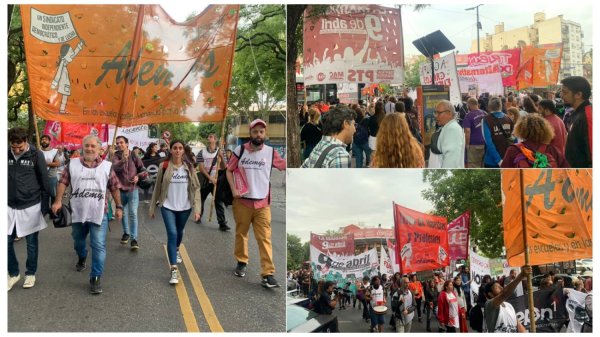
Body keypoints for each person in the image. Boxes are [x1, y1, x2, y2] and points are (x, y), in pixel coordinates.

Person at [52, 135, 123, 294]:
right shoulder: (72, 164)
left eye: (93, 146)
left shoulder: (107, 166)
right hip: (77, 213)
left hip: (99, 214)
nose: (89, 148)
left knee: (98, 245)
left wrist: (119, 206)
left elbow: (114, 187)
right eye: (87, 145)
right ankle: (82, 256)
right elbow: (63, 182)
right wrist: (57, 201)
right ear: (83, 147)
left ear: (99, 149)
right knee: (78, 242)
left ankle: (96, 277)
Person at [227, 119, 286, 288]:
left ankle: (268, 273)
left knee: (264, 238)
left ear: (265, 134)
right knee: (241, 233)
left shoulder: (271, 152)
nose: (258, 135)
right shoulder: (240, 150)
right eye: (255, 132)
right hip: (242, 202)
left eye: (261, 132)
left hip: (262, 203)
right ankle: (241, 261)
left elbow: (283, 166)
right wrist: (233, 190)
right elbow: (229, 171)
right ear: (250, 133)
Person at [149, 140, 201, 284]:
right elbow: (157, 188)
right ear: (170, 150)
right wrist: (152, 207)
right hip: (168, 206)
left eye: (180, 148)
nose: (178, 150)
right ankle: (173, 270)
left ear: (183, 150)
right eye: (175, 148)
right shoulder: (164, 166)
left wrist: (197, 209)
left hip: (185, 206)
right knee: (172, 234)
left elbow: (196, 188)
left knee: (179, 232)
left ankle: (177, 248)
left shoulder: (189, 167)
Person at [8, 128, 50, 290]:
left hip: (31, 204)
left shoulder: (35, 154)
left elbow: (44, 181)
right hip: (9, 205)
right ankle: (13, 273)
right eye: (13, 147)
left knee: (31, 243)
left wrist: (45, 207)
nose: (17, 150)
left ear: (26, 141)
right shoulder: (6, 154)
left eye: (20, 147)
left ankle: (30, 273)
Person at [112, 136, 146, 249]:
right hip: (120, 190)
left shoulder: (134, 155)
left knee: (133, 214)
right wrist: (123, 160)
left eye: (121, 142)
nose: (119, 144)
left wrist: (138, 176)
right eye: (117, 143)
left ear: (127, 144)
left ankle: (134, 239)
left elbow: (143, 170)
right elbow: (115, 168)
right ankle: (126, 233)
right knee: (123, 213)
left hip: (133, 190)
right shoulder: (115, 156)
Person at [501, 114, 570, 168]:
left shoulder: (513, 150)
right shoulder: (552, 150)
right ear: (545, 130)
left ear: (520, 130)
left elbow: (504, 173)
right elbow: (565, 170)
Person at [196, 133, 229, 231]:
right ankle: (198, 216)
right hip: (206, 180)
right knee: (201, 199)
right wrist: (210, 178)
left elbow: (224, 167)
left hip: (217, 181)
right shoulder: (201, 152)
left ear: (215, 139)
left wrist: (222, 157)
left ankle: (222, 223)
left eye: (210, 137)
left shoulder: (221, 151)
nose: (208, 138)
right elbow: (201, 168)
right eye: (208, 136)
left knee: (218, 201)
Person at [484, 266, 532, 332]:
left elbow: (519, 326)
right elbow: (504, 293)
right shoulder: (489, 305)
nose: (501, 288)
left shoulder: (509, 306)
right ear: (490, 294)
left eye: (501, 286)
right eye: (497, 287)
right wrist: (521, 276)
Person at [561, 76, 592, 168]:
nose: (561, 96)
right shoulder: (576, 113)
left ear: (578, 95)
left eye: (565, 92)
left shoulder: (588, 115)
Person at [428, 100, 465, 168]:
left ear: (449, 113)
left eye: (439, 113)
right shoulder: (448, 127)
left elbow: (451, 162)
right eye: (435, 113)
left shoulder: (452, 129)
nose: (436, 116)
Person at [482, 96, 514, 168]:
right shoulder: (508, 119)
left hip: (491, 160)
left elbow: (489, 142)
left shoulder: (486, 120)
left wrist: (498, 160)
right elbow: (513, 139)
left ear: (489, 107)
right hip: (507, 157)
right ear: (501, 106)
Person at [462, 97, 487, 168]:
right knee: (483, 165)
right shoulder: (484, 113)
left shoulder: (468, 115)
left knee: (473, 165)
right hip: (485, 144)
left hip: (474, 144)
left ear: (469, 105)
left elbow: (467, 131)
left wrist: (467, 144)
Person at [39, 134, 61, 210]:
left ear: (49, 141)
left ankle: (53, 211)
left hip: (51, 177)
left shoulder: (54, 151)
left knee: (53, 195)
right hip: (41, 176)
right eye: (42, 139)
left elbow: (57, 163)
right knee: (43, 195)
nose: (44, 141)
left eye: (46, 139)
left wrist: (45, 163)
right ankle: (44, 211)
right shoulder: (37, 151)